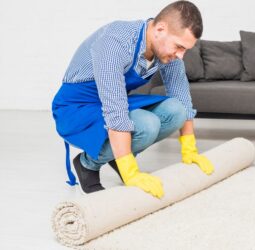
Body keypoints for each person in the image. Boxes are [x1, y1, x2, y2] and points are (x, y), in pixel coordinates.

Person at [52, 0, 214, 198]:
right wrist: (131, 174)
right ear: (160, 29)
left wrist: (190, 150)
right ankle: (87, 164)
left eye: (185, 50)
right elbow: (116, 112)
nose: (180, 56)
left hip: (110, 100)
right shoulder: (115, 43)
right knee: (146, 124)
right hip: (76, 108)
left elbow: (182, 98)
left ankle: (118, 156)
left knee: (176, 110)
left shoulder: (165, 51)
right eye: (179, 46)